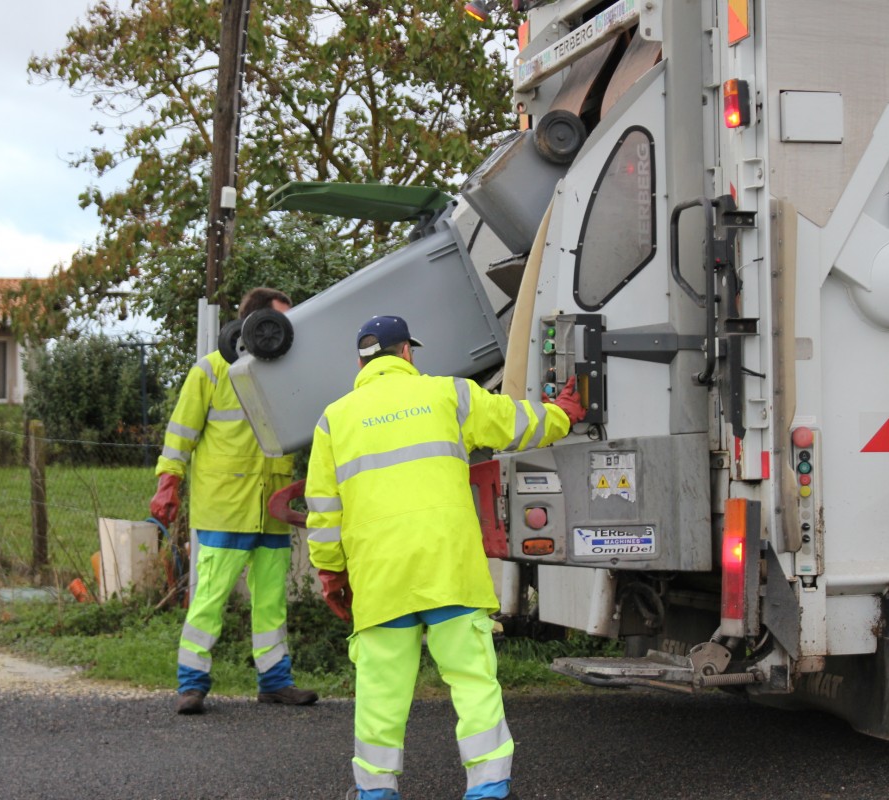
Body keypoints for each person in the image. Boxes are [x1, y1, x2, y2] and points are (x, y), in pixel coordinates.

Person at [304, 315, 586, 800]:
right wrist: (562, 412)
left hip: (380, 576)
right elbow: (517, 424)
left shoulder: (334, 419)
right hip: (449, 568)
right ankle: (487, 789)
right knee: (472, 681)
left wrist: (332, 572)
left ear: (361, 362)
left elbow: (324, 510)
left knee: (380, 694)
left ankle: (375, 793)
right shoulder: (449, 395)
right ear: (406, 353)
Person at [151, 287, 318, 715]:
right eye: (279, 321)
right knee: (209, 599)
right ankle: (191, 684)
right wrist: (167, 483)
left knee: (271, 603)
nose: (286, 332)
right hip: (225, 507)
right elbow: (179, 436)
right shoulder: (208, 372)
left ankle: (275, 683)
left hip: (272, 510)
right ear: (254, 325)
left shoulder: (288, 372)